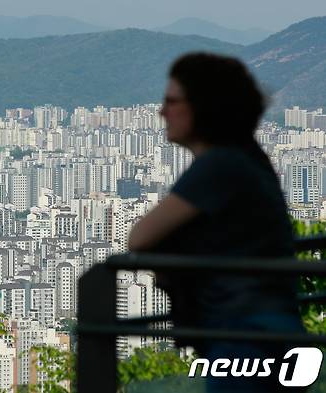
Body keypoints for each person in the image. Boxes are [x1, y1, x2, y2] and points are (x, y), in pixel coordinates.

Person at [128, 53, 306, 392]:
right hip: (270, 331)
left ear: (204, 107)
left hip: (246, 337)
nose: (162, 111)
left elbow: (140, 237)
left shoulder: (220, 165)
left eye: (172, 101)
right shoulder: (247, 157)